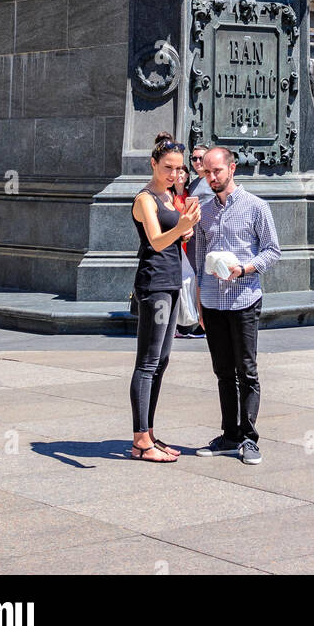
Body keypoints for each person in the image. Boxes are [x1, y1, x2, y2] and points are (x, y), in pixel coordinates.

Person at [191, 146, 281, 466]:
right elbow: (201, 257)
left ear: (232, 169)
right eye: (207, 172)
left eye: (217, 171)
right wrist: (200, 299)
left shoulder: (257, 207)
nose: (211, 177)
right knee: (222, 372)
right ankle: (229, 434)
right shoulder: (205, 211)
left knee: (247, 370)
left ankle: (249, 438)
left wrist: (244, 269)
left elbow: (272, 251)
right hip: (214, 302)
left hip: (244, 299)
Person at [129, 135, 200, 462]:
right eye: (168, 167)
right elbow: (157, 241)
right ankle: (140, 440)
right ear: (153, 164)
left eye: (179, 169)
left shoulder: (170, 196)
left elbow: (176, 237)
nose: (174, 174)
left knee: (162, 360)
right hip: (154, 283)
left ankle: (150, 433)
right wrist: (181, 225)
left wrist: (188, 226)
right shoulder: (145, 198)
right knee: (147, 361)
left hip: (171, 280)